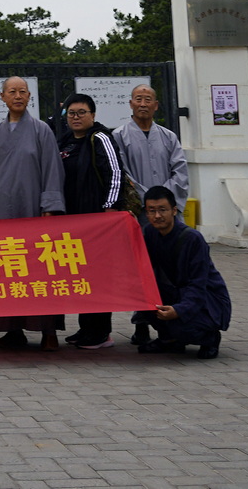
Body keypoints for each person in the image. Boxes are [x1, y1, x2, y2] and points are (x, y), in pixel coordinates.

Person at [0, 76, 65, 352]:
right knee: (6, 270)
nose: (17, 96)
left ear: (29, 97)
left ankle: (48, 331)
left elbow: (52, 170)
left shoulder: (42, 130)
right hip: (1, 212)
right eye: (11, 92)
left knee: (40, 272)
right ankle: (11, 330)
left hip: (32, 210)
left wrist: (50, 207)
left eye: (22, 92)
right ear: (2, 97)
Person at [111, 82, 187, 343]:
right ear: (130, 103)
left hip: (169, 215)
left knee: (174, 267)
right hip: (140, 213)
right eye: (138, 99)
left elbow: (180, 171)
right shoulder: (119, 136)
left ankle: (177, 320)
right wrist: (149, 203)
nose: (143, 104)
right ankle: (141, 322)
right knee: (142, 269)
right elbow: (123, 174)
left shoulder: (168, 136)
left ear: (156, 105)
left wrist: (165, 203)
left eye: (148, 99)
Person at [57, 91, 126, 349]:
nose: (76, 117)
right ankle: (86, 328)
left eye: (81, 113)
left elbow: (115, 174)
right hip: (72, 224)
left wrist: (109, 209)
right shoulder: (63, 142)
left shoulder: (100, 138)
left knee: (98, 276)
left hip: (97, 222)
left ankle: (100, 332)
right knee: (81, 277)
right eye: (71, 113)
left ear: (93, 115)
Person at [133, 185, 229, 358]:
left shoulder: (193, 239)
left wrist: (179, 310)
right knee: (144, 299)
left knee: (182, 326)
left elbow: (198, 284)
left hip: (207, 298)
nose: (157, 216)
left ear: (174, 210)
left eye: (162, 210)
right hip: (175, 292)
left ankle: (209, 337)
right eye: (151, 211)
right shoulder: (149, 233)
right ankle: (169, 340)